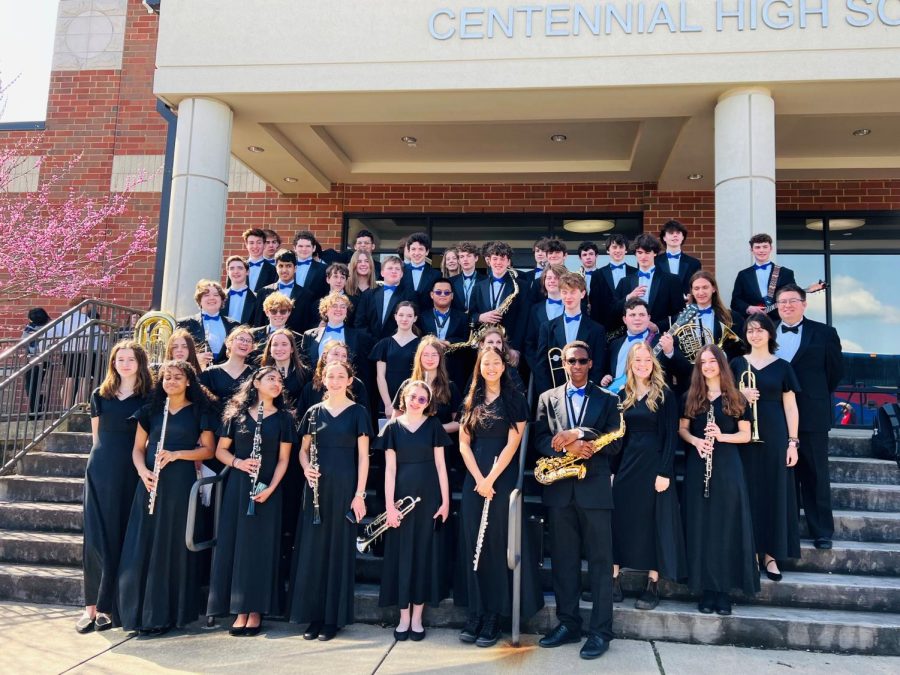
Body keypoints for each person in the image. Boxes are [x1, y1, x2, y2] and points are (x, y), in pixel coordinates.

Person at [534, 341, 623, 660]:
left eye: (581, 360)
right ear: (563, 364)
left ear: (590, 363)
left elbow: (614, 443)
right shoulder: (547, 398)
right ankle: (568, 623)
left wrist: (581, 434)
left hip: (595, 490)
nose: (575, 365)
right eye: (570, 360)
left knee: (600, 564)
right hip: (560, 490)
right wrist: (566, 448)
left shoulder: (610, 399)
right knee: (564, 562)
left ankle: (601, 631)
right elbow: (540, 439)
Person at [117, 360, 217, 634]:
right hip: (151, 483)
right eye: (166, 377)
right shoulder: (151, 410)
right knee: (144, 543)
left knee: (171, 545)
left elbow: (209, 450)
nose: (171, 381)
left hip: (180, 484)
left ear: (188, 382)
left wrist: (177, 455)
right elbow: (138, 449)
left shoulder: (200, 411)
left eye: (177, 377)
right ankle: (138, 613)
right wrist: (142, 472)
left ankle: (166, 614)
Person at [455, 347, 543, 648]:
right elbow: (464, 444)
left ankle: (494, 614)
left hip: (500, 479)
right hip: (474, 479)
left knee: (494, 544)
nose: (491, 368)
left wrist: (490, 479)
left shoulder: (515, 400)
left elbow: (513, 445)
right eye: (485, 364)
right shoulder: (471, 400)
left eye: (496, 363)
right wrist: (479, 480)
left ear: (503, 367)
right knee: (472, 545)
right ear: (479, 368)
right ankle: (475, 612)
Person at [208, 367, 296, 636]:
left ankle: (256, 609)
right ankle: (238, 608)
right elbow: (220, 450)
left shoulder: (284, 419)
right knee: (237, 543)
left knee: (261, 547)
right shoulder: (236, 415)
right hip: (239, 485)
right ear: (255, 383)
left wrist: (270, 488)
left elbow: (284, 460)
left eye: (280, 380)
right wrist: (238, 462)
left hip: (267, 489)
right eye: (271, 379)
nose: (277, 383)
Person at [290, 361, 373, 641]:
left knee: (337, 551)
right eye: (330, 376)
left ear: (350, 380)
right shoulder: (313, 412)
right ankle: (313, 616)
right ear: (323, 379)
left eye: (341, 376)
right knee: (313, 550)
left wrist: (359, 494)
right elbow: (303, 451)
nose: (335, 380)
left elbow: (363, 457)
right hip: (316, 488)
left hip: (345, 487)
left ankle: (332, 619)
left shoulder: (358, 413)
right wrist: (305, 468)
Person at [77, 341, 153, 634]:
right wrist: (94, 468)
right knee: (96, 538)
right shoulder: (100, 394)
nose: (125, 363)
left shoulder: (149, 397)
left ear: (140, 363)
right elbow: (97, 437)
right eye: (120, 359)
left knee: (122, 535)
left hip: (131, 469)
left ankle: (111, 607)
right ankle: (91, 608)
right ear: (113, 362)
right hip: (101, 467)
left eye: (130, 359)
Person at [678, 345, 758, 616]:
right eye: (703, 362)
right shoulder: (691, 396)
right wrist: (696, 441)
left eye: (713, 361)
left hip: (727, 467)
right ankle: (705, 590)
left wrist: (722, 436)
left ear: (721, 365)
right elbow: (682, 429)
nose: (708, 366)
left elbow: (745, 435)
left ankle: (722, 591)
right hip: (698, 464)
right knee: (701, 526)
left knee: (725, 526)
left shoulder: (735, 397)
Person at [610, 342, 686, 610]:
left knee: (653, 521)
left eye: (646, 360)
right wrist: (612, 471)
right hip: (627, 465)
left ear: (653, 363)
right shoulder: (622, 395)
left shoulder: (664, 395)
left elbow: (670, 439)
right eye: (637, 360)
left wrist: (665, 471)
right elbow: (619, 438)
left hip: (654, 465)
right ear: (629, 364)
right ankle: (614, 580)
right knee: (619, 520)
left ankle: (652, 583)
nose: (642, 365)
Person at [378, 379, 451, 641]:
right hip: (400, 498)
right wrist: (389, 506)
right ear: (404, 398)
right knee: (401, 554)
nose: (417, 402)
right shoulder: (393, 428)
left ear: (428, 403)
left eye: (423, 399)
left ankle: (417, 618)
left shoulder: (433, 426)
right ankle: (403, 618)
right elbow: (389, 469)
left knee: (422, 554)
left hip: (429, 497)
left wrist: (445, 502)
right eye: (413, 397)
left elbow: (441, 466)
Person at [773, 283, 843, 550]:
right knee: (783, 475)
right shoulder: (766, 333)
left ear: (804, 303)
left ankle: (821, 531)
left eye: (792, 301)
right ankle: (786, 530)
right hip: (776, 415)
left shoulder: (825, 333)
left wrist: (814, 397)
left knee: (815, 473)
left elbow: (834, 372)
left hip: (812, 414)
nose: (787, 306)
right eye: (782, 302)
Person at [731, 314, 801, 580]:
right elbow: (720, 395)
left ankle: (770, 555)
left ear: (770, 334)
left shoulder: (783, 366)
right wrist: (739, 395)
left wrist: (792, 443)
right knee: (746, 493)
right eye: (750, 330)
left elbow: (791, 406)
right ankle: (748, 552)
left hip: (774, 436)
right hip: (742, 437)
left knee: (774, 493)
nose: (755, 335)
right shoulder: (736, 363)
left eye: (760, 330)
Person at [535, 272, 606, 397]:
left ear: (582, 294)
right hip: (555, 393)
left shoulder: (597, 330)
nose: (568, 297)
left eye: (573, 292)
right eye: (564, 292)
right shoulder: (547, 328)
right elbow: (541, 366)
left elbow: (598, 366)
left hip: (586, 394)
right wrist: (548, 395)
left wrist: (588, 393)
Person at [468, 241, 527, 360]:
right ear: (489, 261)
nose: (498, 262)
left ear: (508, 262)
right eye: (495, 259)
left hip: (509, 346)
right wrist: (480, 317)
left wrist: (515, 347)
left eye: (502, 258)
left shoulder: (521, 286)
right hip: (484, 344)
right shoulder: (478, 287)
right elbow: (470, 315)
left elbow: (523, 319)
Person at [615, 234, 684, 333]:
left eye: (647, 252)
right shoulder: (624, 281)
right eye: (639, 252)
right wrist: (628, 298)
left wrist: (658, 327)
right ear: (635, 254)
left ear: (655, 253)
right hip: (631, 338)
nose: (643, 256)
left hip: (660, 338)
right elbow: (614, 311)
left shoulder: (671, 280)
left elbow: (680, 315)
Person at [300, 293, 372, 382]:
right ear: (325, 310)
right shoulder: (309, 335)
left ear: (346, 311)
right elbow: (304, 367)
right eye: (334, 306)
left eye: (343, 307)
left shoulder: (358, 337)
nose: (339, 309)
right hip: (316, 387)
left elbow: (363, 369)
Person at [296, 341, 370, 420]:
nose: (340, 359)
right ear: (325, 357)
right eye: (336, 354)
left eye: (344, 356)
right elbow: (302, 419)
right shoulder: (310, 388)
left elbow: (365, 418)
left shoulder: (357, 385)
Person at [730, 233, 796, 320]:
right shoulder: (743, 275)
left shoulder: (785, 273)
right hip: (753, 322)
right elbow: (735, 301)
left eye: (765, 247)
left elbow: (793, 296)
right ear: (751, 250)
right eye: (757, 247)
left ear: (771, 248)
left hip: (779, 321)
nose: (761, 250)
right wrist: (749, 308)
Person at [372, 301, 420, 418]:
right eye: (401, 315)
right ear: (395, 317)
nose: (404, 319)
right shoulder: (384, 344)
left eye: (409, 316)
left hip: (413, 399)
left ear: (415, 318)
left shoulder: (421, 344)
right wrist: (388, 405)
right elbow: (380, 376)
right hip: (388, 400)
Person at [353, 255, 415, 342]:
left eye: (397, 269)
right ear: (382, 272)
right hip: (369, 347)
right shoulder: (368, 295)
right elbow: (359, 323)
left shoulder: (410, 296)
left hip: (397, 346)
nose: (394, 271)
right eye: (390, 268)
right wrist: (372, 341)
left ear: (401, 274)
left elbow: (412, 323)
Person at [176, 280, 238, 365]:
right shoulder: (184, 324)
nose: (211, 298)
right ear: (199, 300)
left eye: (216, 295)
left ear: (222, 300)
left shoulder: (234, 325)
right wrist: (194, 359)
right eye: (206, 295)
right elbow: (174, 353)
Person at [254, 249, 316, 332]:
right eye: (281, 266)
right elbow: (259, 323)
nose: (284, 270)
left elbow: (307, 324)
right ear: (276, 268)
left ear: (295, 268)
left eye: (288, 266)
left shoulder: (306, 295)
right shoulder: (263, 292)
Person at [523, 263, 567, 378]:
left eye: (556, 278)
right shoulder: (535, 309)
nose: (552, 281)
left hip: (569, 370)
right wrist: (538, 368)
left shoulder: (575, 307)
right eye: (548, 278)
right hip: (542, 371)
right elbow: (529, 343)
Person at [588, 234, 637, 333]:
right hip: (604, 326)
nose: (618, 250)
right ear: (608, 250)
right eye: (614, 247)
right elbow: (595, 305)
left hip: (630, 325)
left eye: (621, 247)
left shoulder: (635, 272)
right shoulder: (598, 274)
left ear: (626, 250)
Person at [199, 325, 256, 407]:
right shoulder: (210, 373)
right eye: (241, 339)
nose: (245, 343)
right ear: (229, 343)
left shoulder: (255, 374)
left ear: (252, 348)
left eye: (248, 341)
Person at [259, 328, 309, 403]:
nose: (279, 348)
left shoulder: (306, 373)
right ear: (270, 349)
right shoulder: (261, 373)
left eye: (284, 344)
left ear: (292, 349)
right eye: (275, 345)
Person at [249, 292, 303, 360]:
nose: (278, 315)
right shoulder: (253, 334)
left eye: (283, 311)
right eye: (273, 311)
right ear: (267, 312)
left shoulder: (298, 339)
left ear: (289, 312)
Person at [418, 278, 469, 347]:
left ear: (452, 296)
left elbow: (466, 340)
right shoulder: (422, 317)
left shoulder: (463, 317)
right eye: (438, 292)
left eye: (447, 292)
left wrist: (449, 342)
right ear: (431, 295)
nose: (443, 295)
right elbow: (418, 339)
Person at [655, 220, 702, 296]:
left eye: (678, 233)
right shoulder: (655, 262)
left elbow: (697, 286)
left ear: (683, 237)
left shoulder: (694, 263)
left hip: (686, 305)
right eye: (671, 233)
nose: (675, 235)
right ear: (664, 238)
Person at [401, 232, 441, 310]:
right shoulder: (400, 271)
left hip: (427, 318)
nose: (417, 253)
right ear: (409, 251)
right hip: (405, 319)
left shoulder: (437, 275)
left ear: (427, 252)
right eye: (413, 249)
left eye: (421, 249)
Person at [22, 307, 50, 416]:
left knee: (32, 386)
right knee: (31, 386)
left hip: (39, 360)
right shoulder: (32, 328)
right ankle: (37, 406)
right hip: (33, 360)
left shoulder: (32, 328)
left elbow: (24, 342)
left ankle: (35, 412)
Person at [293, 230, 329, 300]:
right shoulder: (287, 267)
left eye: (308, 246)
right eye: (300, 246)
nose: (304, 249)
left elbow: (326, 294)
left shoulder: (323, 269)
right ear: (294, 248)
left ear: (314, 248)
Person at [449, 241, 484, 313]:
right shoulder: (450, 282)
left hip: (479, 322)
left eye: (468, 256)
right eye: (462, 256)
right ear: (458, 260)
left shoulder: (486, 280)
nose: (465, 259)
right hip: (458, 322)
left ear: (476, 258)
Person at [223, 256, 258, 325]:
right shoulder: (220, 297)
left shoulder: (257, 298)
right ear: (227, 272)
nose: (236, 272)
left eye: (240, 268)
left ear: (247, 272)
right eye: (232, 268)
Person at [240, 228, 277, 292]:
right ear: (246, 245)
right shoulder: (237, 267)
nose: (255, 246)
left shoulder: (273, 270)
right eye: (251, 243)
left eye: (259, 242)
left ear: (264, 245)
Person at [346, 250, 377, 315]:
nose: (363, 264)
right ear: (354, 264)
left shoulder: (378, 291)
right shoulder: (345, 289)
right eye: (359, 261)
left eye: (367, 261)